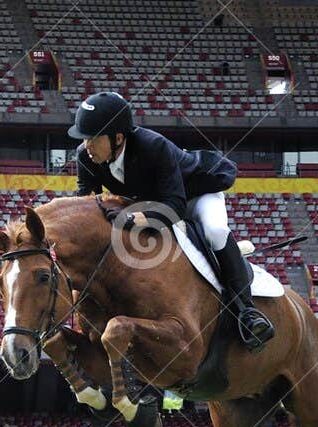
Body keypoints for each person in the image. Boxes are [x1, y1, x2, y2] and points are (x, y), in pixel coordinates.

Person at [68, 91, 273, 350]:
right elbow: (86, 203)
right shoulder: (86, 156)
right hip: (150, 201)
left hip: (193, 195)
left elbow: (175, 206)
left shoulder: (153, 146)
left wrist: (135, 217)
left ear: (118, 137)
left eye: (93, 138)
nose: (87, 145)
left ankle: (247, 312)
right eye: (84, 138)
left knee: (216, 231)